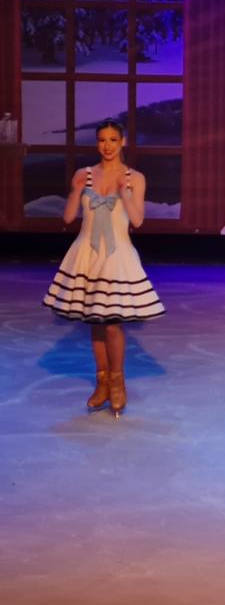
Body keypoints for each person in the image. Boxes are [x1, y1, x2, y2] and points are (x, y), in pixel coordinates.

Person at [42, 120, 165, 417]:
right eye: (102, 140)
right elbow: (68, 218)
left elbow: (138, 221)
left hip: (117, 255)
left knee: (112, 323)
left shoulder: (135, 177)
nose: (107, 146)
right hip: (86, 254)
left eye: (112, 140)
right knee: (95, 322)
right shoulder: (83, 175)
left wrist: (125, 193)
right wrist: (74, 193)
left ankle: (117, 382)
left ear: (123, 142)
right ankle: (102, 382)